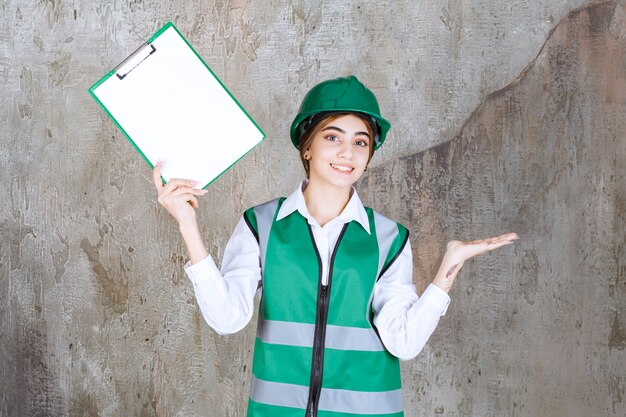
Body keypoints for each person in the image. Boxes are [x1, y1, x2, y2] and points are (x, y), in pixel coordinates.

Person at [152, 75, 518, 417]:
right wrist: (188, 226)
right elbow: (228, 318)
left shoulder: (390, 238)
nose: (348, 152)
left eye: (360, 142)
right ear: (306, 145)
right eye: (333, 137)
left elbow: (403, 342)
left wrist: (446, 272)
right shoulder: (261, 225)